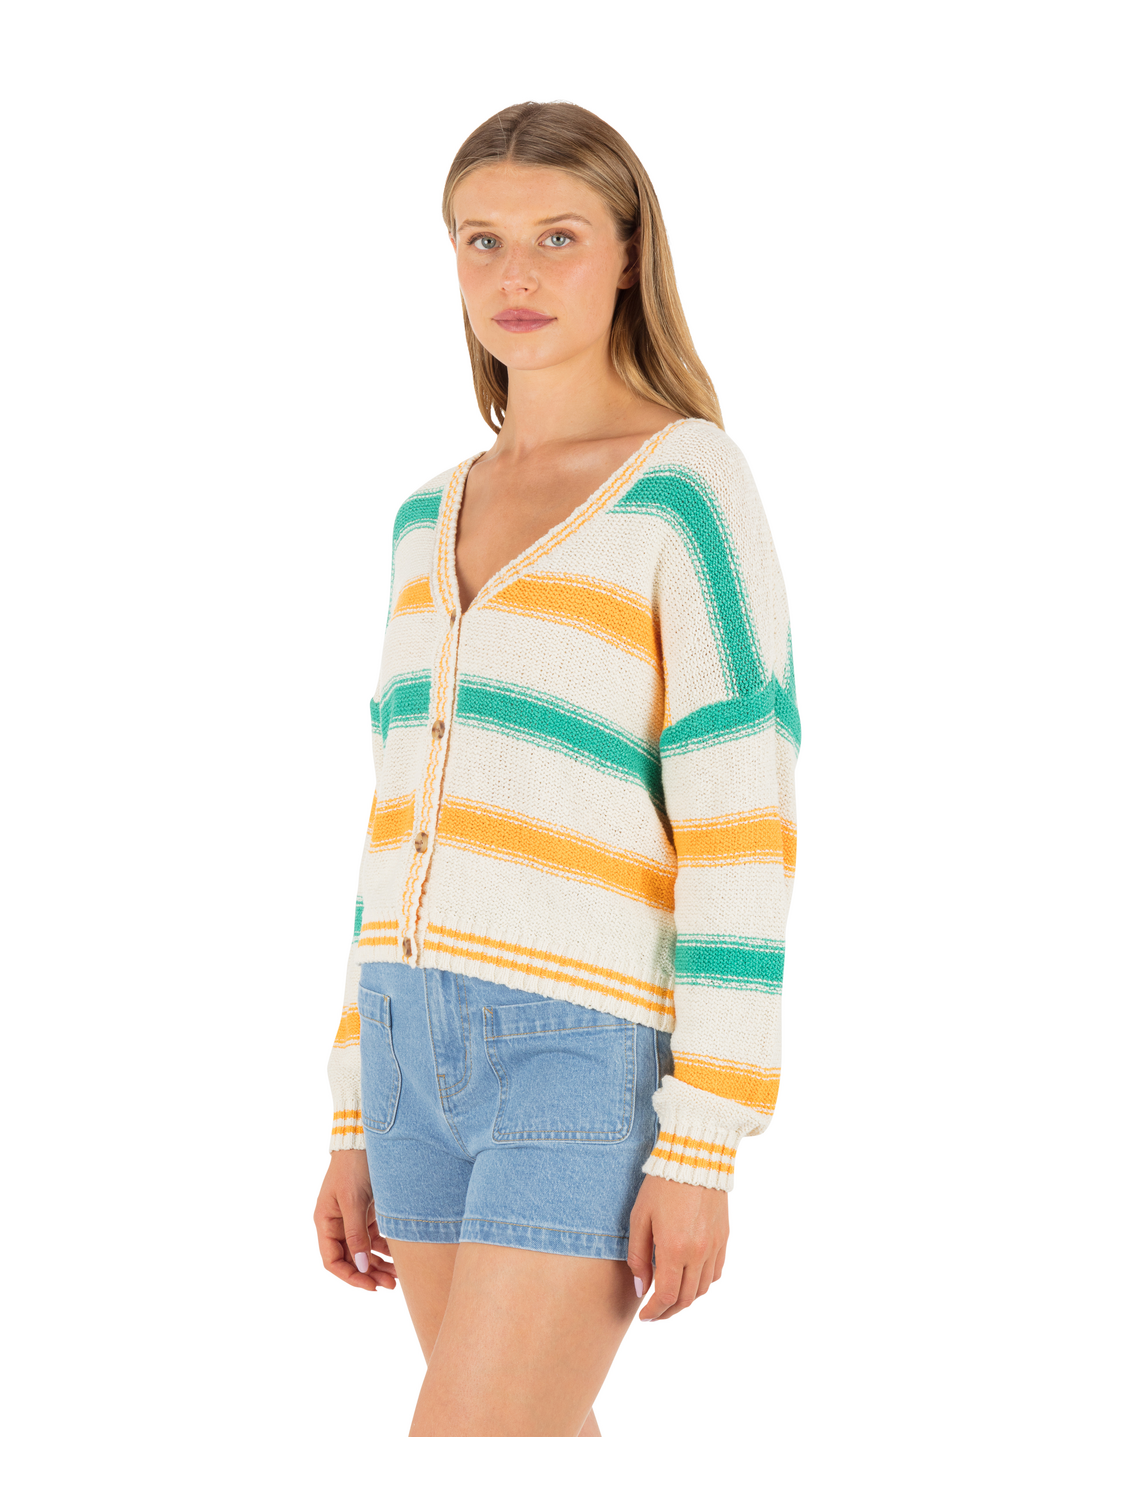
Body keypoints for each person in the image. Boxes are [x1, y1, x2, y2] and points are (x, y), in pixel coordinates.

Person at [312, 100, 800, 1437]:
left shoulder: (685, 490)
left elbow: (743, 823)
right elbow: (393, 821)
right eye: (482, 240)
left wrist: (704, 1137)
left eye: (558, 237)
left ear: (630, 255)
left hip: (581, 1048)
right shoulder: (425, 515)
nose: (514, 275)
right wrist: (353, 1109)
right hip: (407, 1042)